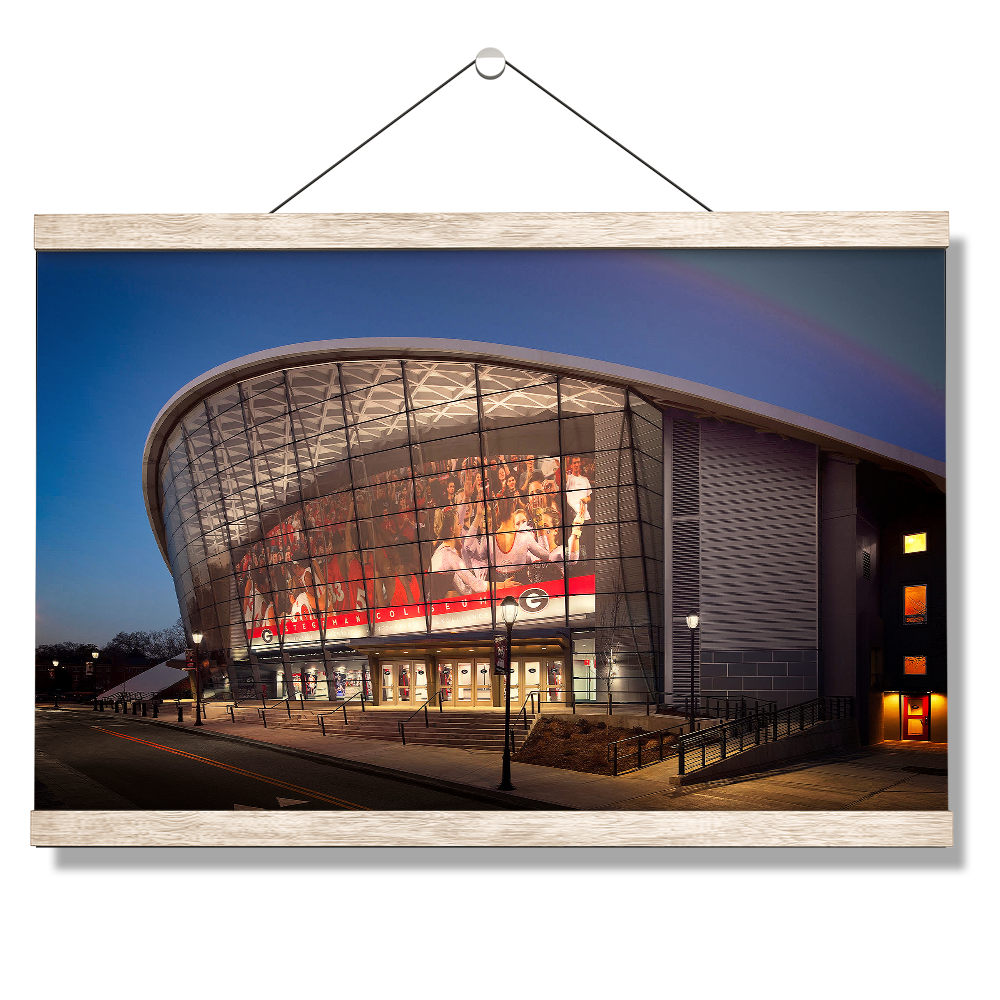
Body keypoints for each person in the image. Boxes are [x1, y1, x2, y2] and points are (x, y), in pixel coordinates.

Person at [429, 507, 490, 598]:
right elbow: (476, 585)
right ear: (452, 529)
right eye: (458, 524)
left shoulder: (442, 550)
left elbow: (463, 589)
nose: (460, 527)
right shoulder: (449, 555)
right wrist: (503, 586)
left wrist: (458, 551)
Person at [565, 455, 592, 522]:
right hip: (573, 517)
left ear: (580, 464)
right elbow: (563, 471)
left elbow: (589, 498)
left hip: (585, 517)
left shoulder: (585, 479)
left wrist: (586, 499)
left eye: (578, 462)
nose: (576, 465)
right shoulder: (568, 478)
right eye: (574, 463)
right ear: (571, 465)